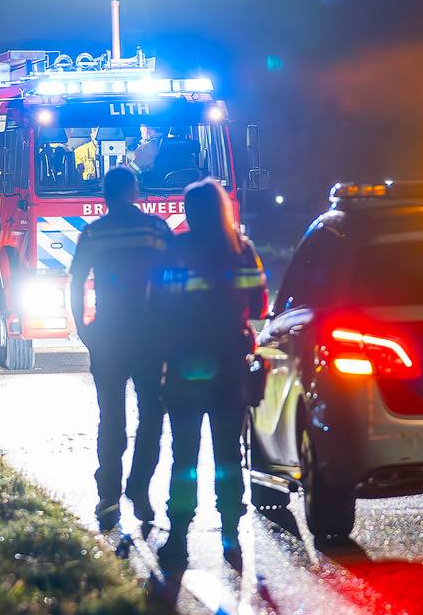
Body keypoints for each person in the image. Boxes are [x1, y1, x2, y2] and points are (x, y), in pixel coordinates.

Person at [152, 178, 267, 568]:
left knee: (183, 454)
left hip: (185, 364)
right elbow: (259, 304)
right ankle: (231, 534)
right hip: (230, 365)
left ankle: (178, 537)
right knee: (228, 454)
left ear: (189, 211)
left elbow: (157, 306)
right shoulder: (242, 249)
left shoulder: (176, 247)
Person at [69, 167, 174, 530]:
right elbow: (175, 278)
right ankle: (139, 488)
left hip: (108, 335)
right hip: (151, 336)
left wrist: (84, 328)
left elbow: (76, 282)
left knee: (110, 415)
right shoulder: (156, 230)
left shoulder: (94, 233)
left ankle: (108, 494)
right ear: (134, 191)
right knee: (152, 415)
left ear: (104, 194)